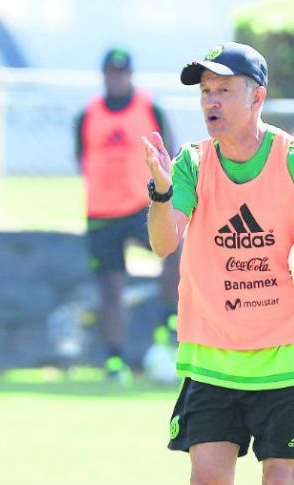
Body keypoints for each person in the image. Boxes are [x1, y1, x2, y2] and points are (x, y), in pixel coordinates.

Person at [142, 41, 294, 485]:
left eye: (223, 90)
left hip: (288, 357)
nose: (210, 101)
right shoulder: (191, 164)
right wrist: (160, 192)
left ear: (257, 97)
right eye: (205, 91)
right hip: (212, 357)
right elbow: (164, 243)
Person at [74, 48, 179, 383]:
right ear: (104, 75)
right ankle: (114, 359)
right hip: (102, 212)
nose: (116, 77)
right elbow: (82, 160)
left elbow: (169, 156)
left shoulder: (149, 109)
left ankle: (170, 319)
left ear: (130, 75)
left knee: (176, 246)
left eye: (122, 72)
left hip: (141, 207)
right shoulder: (87, 115)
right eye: (111, 72)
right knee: (111, 287)